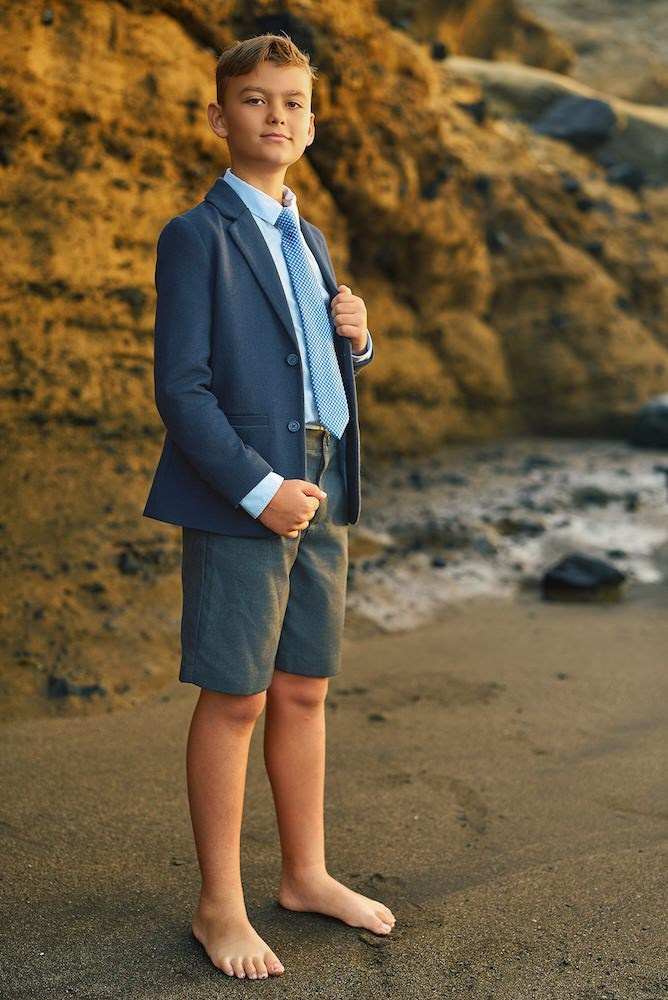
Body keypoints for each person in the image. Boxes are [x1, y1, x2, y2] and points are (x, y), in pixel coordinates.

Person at [144, 33, 395, 981]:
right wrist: (259, 490)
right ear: (220, 117)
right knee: (238, 695)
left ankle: (305, 874)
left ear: (312, 125)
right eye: (255, 99)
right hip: (246, 490)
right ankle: (219, 904)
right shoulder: (196, 235)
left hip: (323, 479)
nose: (276, 116)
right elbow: (183, 390)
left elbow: (304, 358)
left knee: (302, 689)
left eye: (292, 102)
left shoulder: (309, 236)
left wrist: (356, 343)